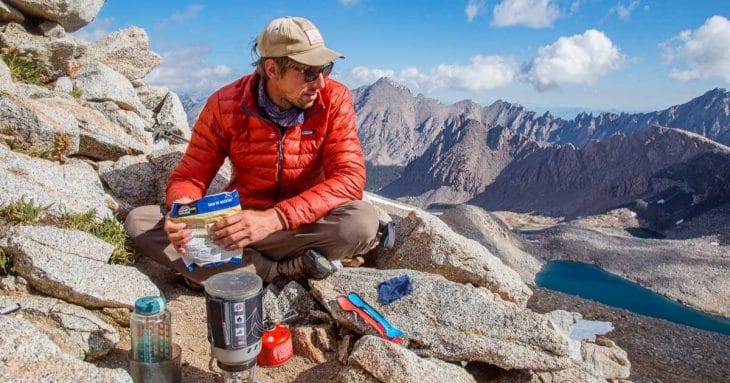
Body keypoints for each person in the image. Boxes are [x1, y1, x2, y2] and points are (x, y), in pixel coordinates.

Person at [125, 16, 389, 288]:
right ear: (273, 69)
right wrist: (182, 212)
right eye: (309, 72)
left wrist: (275, 219)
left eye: (325, 69)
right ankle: (279, 271)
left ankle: (224, 269)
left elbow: (349, 179)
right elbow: (190, 176)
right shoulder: (224, 104)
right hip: (243, 225)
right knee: (140, 223)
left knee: (361, 223)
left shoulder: (334, 99)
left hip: (304, 223)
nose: (320, 83)